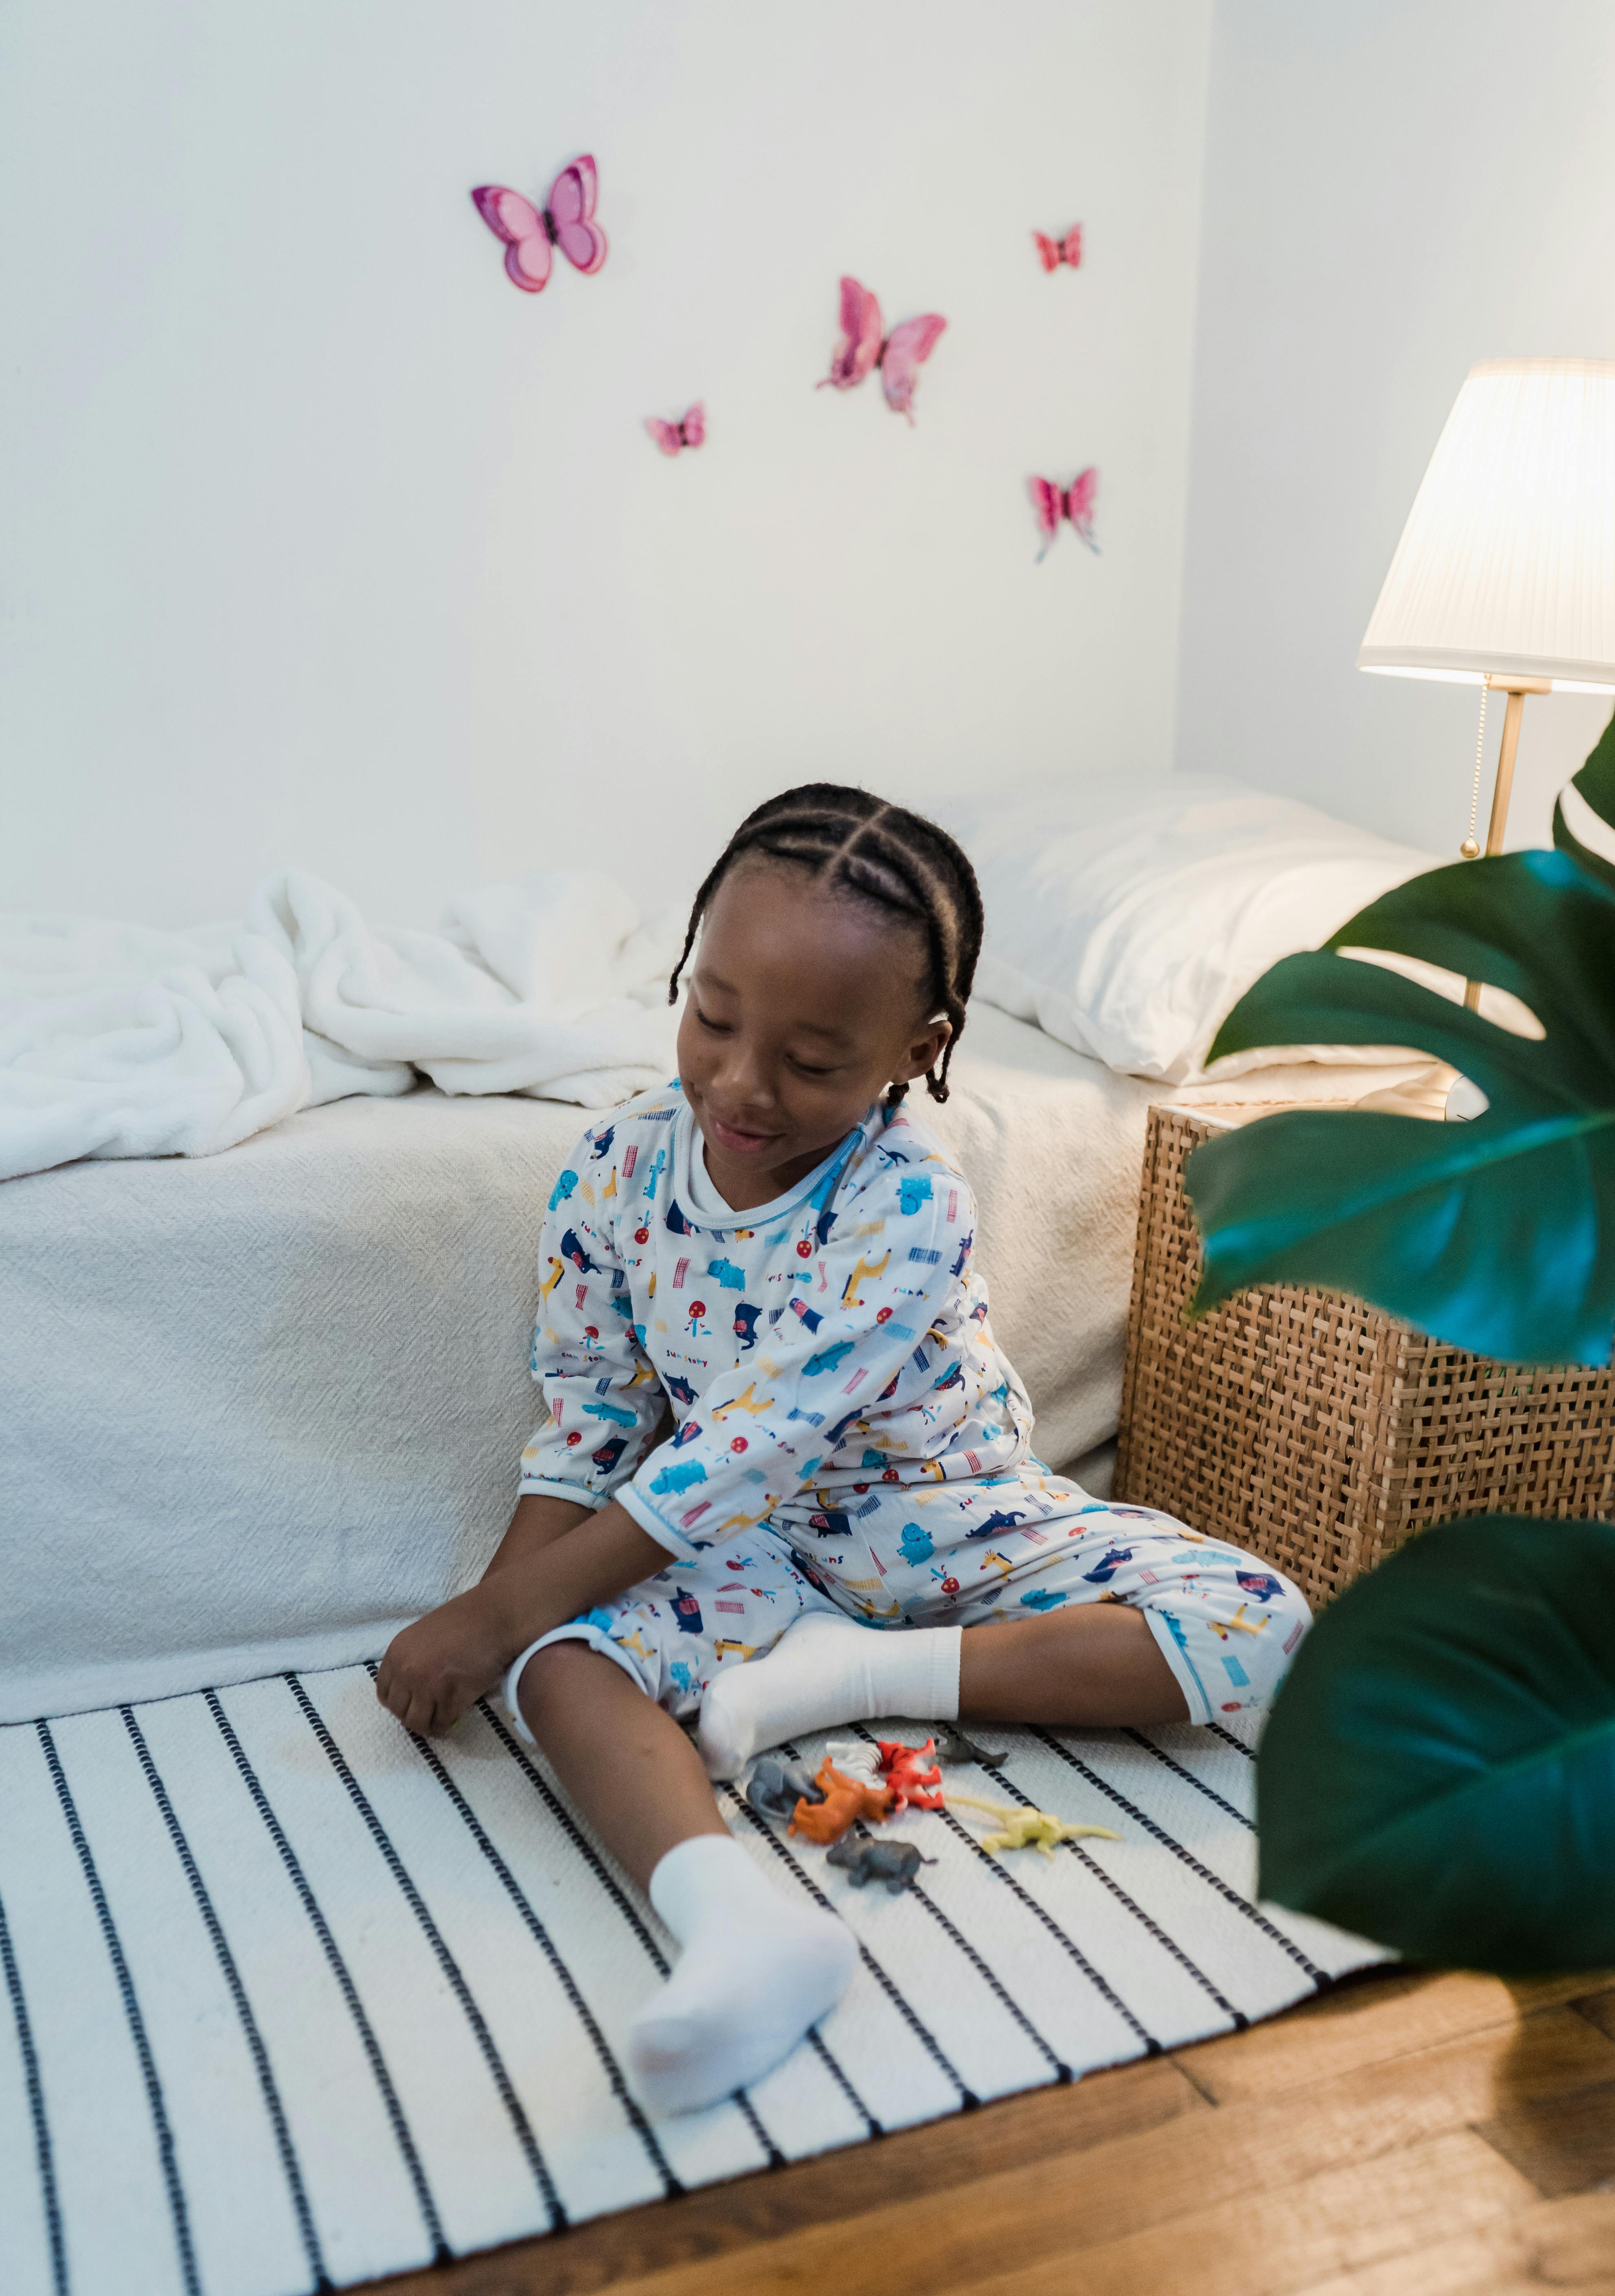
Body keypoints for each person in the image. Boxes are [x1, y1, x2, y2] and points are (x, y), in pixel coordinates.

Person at [376, 786, 1309, 2116]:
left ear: (916, 1050)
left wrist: (497, 1611)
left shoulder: (908, 1198)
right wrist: (498, 1620)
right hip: (742, 1548)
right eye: (713, 1017)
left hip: (947, 1515)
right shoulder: (613, 1167)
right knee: (562, 1665)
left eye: (814, 1063)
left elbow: (748, 1442)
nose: (742, 1085)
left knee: (1261, 1623)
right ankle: (738, 1926)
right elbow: (591, 1417)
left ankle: (857, 1675)